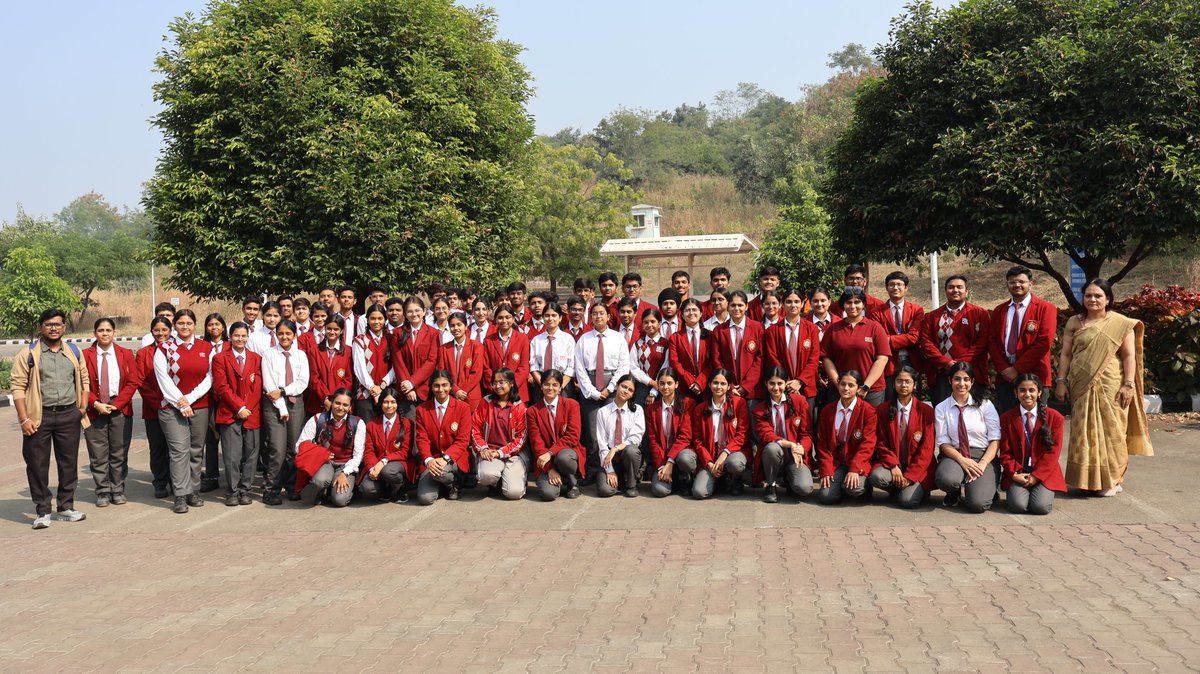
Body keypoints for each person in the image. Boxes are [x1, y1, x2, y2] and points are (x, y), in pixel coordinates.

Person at [1056, 278, 1154, 495]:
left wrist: (1128, 384)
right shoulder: (1074, 322)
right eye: (1088, 295)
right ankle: (1083, 480)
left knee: (1113, 430)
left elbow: (1129, 356)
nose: (1092, 299)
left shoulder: (1120, 323)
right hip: (1080, 384)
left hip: (1111, 384)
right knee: (1083, 430)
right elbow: (1065, 354)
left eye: (1098, 295)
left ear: (1108, 298)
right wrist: (1061, 381)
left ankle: (1111, 480)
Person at [13, 308, 91, 529]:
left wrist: (82, 408)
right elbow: (17, 387)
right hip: (39, 417)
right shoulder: (28, 354)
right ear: (41, 327)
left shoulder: (74, 351)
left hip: (69, 415)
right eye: (49, 324)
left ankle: (66, 507)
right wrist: (24, 419)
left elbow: (84, 379)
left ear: (64, 327)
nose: (54, 328)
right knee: (37, 465)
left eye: (57, 324)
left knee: (69, 464)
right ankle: (43, 511)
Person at [153, 309, 214, 514]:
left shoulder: (206, 347)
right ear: (175, 326)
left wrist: (190, 399)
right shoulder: (164, 348)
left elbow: (210, 377)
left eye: (189, 323)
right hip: (171, 407)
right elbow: (163, 379)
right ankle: (180, 495)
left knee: (196, 451)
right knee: (179, 451)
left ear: (194, 325)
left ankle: (193, 491)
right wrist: (181, 402)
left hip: (199, 405)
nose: (185, 327)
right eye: (180, 323)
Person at [114, 316, 174, 498]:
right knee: (157, 448)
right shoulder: (144, 353)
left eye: (164, 330)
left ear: (171, 331)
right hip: (153, 408)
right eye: (157, 330)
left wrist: (174, 401)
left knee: (175, 448)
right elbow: (140, 381)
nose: (161, 333)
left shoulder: (177, 350)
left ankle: (176, 481)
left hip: (176, 408)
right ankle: (160, 482)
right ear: (151, 331)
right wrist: (160, 402)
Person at [573, 301, 631, 485]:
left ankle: (613, 469)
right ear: (590, 318)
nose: (598, 317)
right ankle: (593, 470)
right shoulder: (584, 339)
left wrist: (610, 388)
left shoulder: (617, 338)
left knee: (610, 429)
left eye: (601, 313)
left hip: (611, 386)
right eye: (594, 314)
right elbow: (579, 367)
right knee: (592, 433)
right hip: (589, 387)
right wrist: (590, 390)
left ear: (608, 316)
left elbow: (623, 366)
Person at [82, 317, 136, 507]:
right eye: (100, 330)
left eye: (108, 330)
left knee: (119, 451)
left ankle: (118, 488)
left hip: (119, 407)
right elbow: (80, 384)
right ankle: (103, 491)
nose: (104, 333)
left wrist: (118, 404)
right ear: (94, 333)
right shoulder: (84, 355)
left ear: (114, 332)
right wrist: (95, 403)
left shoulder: (126, 353)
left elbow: (133, 382)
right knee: (98, 453)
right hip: (94, 408)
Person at [934, 362, 1002, 513]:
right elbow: (943, 442)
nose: (961, 383)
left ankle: (988, 487)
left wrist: (983, 464)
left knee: (977, 504)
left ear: (972, 382)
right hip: (954, 455)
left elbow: (995, 439)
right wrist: (962, 460)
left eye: (966, 379)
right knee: (946, 480)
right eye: (957, 379)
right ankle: (954, 492)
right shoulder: (941, 408)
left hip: (982, 455)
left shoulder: (985, 404)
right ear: (950, 380)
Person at [989, 265, 1057, 413]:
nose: (1017, 285)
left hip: (1035, 375)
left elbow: (1044, 343)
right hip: (1006, 377)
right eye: (1012, 282)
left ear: (1030, 284)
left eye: (1021, 281)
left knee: (1036, 422)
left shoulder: (1046, 308)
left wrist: (1017, 369)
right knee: (1008, 422)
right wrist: (1005, 369)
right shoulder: (999, 310)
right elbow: (992, 342)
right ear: (1007, 284)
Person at [868, 366, 936, 509]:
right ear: (894, 384)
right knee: (876, 476)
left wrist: (910, 476)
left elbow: (927, 450)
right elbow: (880, 442)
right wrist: (893, 465)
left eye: (907, 381)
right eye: (899, 381)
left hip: (917, 467)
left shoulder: (926, 411)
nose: (903, 385)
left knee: (908, 502)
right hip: (895, 464)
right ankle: (899, 489)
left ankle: (914, 490)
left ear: (915, 385)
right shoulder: (883, 409)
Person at [211, 321, 263, 506]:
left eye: (243, 336)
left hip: (252, 412)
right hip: (230, 413)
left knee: (251, 454)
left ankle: (245, 489)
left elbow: (257, 385)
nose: (240, 339)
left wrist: (246, 407)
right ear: (230, 337)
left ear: (248, 337)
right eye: (236, 336)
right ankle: (232, 491)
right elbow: (221, 387)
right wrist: (239, 407)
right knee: (232, 455)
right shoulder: (219, 358)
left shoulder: (256, 358)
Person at [919, 275, 991, 404]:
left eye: (959, 287)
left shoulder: (980, 314)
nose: (955, 290)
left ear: (966, 291)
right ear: (945, 290)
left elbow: (982, 343)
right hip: (942, 376)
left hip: (972, 375)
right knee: (943, 417)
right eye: (951, 287)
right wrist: (946, 363)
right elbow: (926, 343)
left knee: (975, 416)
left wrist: (959, 365)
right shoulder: (933, 317)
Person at [1001, 374, 1066, 514]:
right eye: (1022, 390)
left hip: (1044, 473)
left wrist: (1036, 476)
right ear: (1016, 392)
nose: (1027, 394)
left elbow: (1053, 453)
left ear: (1039, 392)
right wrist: (1014, 474)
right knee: (1017, 506)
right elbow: (1005, 452)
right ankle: (1022, 494)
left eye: (1032, 390)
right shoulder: (1007, 418)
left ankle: (1038, 493)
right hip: (1018, 471)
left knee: (1040, 507)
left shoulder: (1055, 418)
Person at [261, 319, 310, 505]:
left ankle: (292, 486)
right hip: (274, 405)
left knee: (293, 448)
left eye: (288, 333)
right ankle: (272, 489)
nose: (284, 337)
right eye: (281, 333)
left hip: (295, 403)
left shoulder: (300, 355)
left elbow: (302, 382)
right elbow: (269, 384)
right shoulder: (269, 355)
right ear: (276, 335)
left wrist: (284, 391)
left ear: (294, 335)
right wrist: (281, 406)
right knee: (277, 448)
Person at [814, 370, 877, 505]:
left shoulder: (868, 411)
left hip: (857, 460)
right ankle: (840, 487)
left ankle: (862, 486)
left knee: (854, 488)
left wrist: (855, 468)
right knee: (826, 497)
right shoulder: (827, 410)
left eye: (851, 385)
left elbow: (868, 444)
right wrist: (826, 468)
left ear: (858, 388)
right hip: (837, 462)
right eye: (843, 384)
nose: (846, 388)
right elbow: (822, 443)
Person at [821, 287, 891, 406]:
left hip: (871, 391)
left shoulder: (875, 328)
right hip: (839, 391)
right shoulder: (833, 329)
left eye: (857, 302)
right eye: (848, 302)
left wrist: (866, 386)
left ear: (863, 304)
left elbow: (882, 359)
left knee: (870, 423)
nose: (853, 306)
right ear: (843, 305)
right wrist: (840, 385)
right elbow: (826, 358)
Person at [296, 389, 365, 507]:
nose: (340, 407)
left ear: (350, 407)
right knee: (319, 481)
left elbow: (358, 455)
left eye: (345, 405)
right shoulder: (318, 419)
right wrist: (321, 453)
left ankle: (344, 489)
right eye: (337, 403)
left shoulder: (357, 423)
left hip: (346, 464)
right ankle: (322, 491)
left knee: (339, 501)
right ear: (331, 402)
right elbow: (299, 446)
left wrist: (345, 473)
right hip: (324, 462)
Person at [755, 367, 814, 503]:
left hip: (795, 456)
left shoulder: (799, 401)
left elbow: (807, 433)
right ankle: (771, 485)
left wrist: (801, 448)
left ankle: (789, 479)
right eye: (772, 383)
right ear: (766, 384)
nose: (776, 388)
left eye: (780, 383)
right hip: (774, 455)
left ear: (786, 383)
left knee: (804, 488)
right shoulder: (760, 409)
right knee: (771, 447)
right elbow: (767, 435)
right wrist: (791, 444)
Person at [689, 369, 751, 499]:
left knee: (735, 463)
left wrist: (726, 452)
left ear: (729, 386)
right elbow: (697, 441)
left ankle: (735, 479)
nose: (719, 387)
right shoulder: (700, 409)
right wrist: (709, 463)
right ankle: (718, 480)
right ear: (709, 384)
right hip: (711, 456)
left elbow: (742, 434)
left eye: (723, 384)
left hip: (732, 453)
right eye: (715, 383)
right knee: (699, 492)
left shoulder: (739, 403)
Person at [414, 370, 473, 505]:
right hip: (432, 459)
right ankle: (443, 485)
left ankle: (454, 483)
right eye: (436, 385)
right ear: (431, 387)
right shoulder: (422, 409)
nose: (441, 389)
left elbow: (463, 440)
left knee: (441, 473)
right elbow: (422, 439)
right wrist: (429, 460)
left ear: (451, 386)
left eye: (445, 385)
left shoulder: (462, 407)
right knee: (425, 499)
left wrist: (446, 458)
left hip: (454, 458)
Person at [471, 367, 529, 500]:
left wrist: (501, 453)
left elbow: (520, 439)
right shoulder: (485, 402)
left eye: (502, 382)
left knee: (514, 494)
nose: (497, 386)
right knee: (486, 476)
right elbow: (475, 429)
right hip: (490, 451)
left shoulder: (520, 407)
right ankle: (496, 482)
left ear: (511, 383)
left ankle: (514, 477)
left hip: (513, 454)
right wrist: (483, 448)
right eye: (494, 383)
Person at [528, 369, 585, 501]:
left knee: (563, 457)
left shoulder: (572, 405)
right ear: (541, 386)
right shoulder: (532, 411)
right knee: (549, 494)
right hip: (544, 460)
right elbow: (536, 442)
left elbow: (573, 436)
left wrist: (550, 453)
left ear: (560, 387)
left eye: (555, 385)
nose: (550, 388)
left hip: (566, 453)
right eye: (547, 384)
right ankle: (558, 479)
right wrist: (549, 469)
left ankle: (572, 483)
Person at [869, 271, 925, 401]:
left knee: (913, 401)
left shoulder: (916, 310)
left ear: (906, 288)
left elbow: (914, 338)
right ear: (886, 288)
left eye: (899, 284)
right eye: (891, 284)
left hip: (912, 361)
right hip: (888, 363)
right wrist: (904, 338)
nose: (895, 288)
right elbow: (878, 339)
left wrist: (888, 339)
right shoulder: (876, 312)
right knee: (890, 400)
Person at [711, 291, 765, 422]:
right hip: (729, 389)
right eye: (733, 305)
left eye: (740, 305)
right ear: (728, 307)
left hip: (752, 389)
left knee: (753, 427)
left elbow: (760, 359)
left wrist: (745, 386)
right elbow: (717, 359)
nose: (736, 309)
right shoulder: (719, 331)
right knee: (732, 425)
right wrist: (728, 384)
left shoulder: (758, 328)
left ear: (746, 306)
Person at [765, 288, 821, 412]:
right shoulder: (772, 331)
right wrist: (787, 382)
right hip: (781, 388)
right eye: (789, 302)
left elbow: (814, 359)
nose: (793, 305)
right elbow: (772, 357)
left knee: (806, 427)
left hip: (806, 387)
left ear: (802, 304)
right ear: (783, 305)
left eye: (797, 301)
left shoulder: (811, 329)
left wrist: (800, 381)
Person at [646, 368, 696, 498]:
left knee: (685, 458)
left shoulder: (688, 404)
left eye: (669, 383)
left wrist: (670, 462)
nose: (665, 387)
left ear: (676, 384)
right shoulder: (651, 410)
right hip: (662, 457)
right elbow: (653, 441)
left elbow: (685, 437)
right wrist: (662, 466)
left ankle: (686, 479)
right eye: (661, 383)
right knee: (659, 491)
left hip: (681, 454)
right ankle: (672, 479)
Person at [360, 388, 416, 503]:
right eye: (385, 402)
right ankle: (385, 488)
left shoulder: (407, 423)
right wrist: (371, 468)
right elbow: (369, 451)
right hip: (377, 463)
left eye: (393, 402)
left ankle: (401, 488)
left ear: (398, 404)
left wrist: (384, 461)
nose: (389, 405)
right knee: (368, 488)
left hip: (398, 463)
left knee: (388, 471)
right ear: (380, 404)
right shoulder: (372, 425)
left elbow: (405, 452)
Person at [593, 375, 645, 497]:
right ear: (617, 386)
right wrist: (610, 470)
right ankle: (619, 480)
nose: (626, 391)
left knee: (631, 450)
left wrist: (616, 448)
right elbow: (602, 444)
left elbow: (635, 439)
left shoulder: (637, 410)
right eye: (623, 386)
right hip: (610, 459)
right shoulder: (603, 412)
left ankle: (631, 484)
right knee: (605, 491)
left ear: (633, 394)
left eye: (630, 390)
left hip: (628, 457)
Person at [392, 296, 441, 416]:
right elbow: (398, 361)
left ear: (424, 311)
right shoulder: (397, 333)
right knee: (408, 428)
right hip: (405, 391)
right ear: (405, 313)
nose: (414, 314)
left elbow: (431, 362)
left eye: (417, 310)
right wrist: (407, 386)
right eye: (410, 311)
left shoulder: (433, 333)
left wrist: (412, 382)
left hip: (426, 389)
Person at [199, 312, 229, 492]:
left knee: (230, 439)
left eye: (217, 324)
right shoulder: (201, 346)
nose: (214, 328)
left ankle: (233, 474)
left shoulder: (230, 345)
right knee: (210, 439)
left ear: (223, 327)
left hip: (227, 399)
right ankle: (211, 476)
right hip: (207, 398)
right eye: (210, 325)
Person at [304, 313, 353, 417]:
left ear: (341, 331)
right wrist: (326, 398)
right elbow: (314, 379)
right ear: (325, 329)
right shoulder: (314, 350)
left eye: (336, 329)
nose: (332, 332)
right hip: (318, 402)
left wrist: (336, 399)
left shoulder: (348, 351)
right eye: (329, 329)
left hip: (341, 404)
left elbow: (348, 379)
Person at [480, 303, 531, 403]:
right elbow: (486, 367)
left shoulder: (522, 338)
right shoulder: (488, 340)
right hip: (495, 392)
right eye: (500, 318)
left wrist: (510, 385)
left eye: (508, 317)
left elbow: (524, 366)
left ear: (513, 319)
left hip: (517, 391)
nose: (504, 321)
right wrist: (497, 386)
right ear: (495, 320)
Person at [437, 310, 485, 412]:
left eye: (459, 324)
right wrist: (455, 390)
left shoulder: (477, 346)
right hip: (450, 395)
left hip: (470, 395)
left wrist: (461, 391)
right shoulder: (443, 349)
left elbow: (476, 373)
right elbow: (442, 372)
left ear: (466, 326)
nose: (456, 328)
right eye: (452, 326)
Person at [528, 301, 575, 404]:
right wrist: (544, 385)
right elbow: (533, 365)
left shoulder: (568, 339)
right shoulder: (536, 340)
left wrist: (559, 386)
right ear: (543, 317)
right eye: (547, 315)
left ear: (560, 318)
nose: (550, 319)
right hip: (540, 384)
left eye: (554, 315)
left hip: (563, 385)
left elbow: (571, 366)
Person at [353, 304, 394, 422]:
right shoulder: (360, 340)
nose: (376, 322)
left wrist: (382, 386)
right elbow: (359, 368)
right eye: (373, 318)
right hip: (365, 394)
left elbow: (396, 366)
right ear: (367, 320)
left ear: (385, 320)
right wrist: (372, 388)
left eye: (380, 318)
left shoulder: (392, 339)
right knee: (366, 431)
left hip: (387, 392)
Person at [666, 298, 711, 402]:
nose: (691, 313)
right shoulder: (675, 338)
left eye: (694, 310)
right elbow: (674, 363)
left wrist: (700, 382)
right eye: (687, 310)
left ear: (700, 314)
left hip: (706, 388)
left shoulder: (710, 336)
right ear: (682, 315)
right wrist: (691, 382)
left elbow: (713, 362)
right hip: (684, 389)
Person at [629, 307, 669, 407]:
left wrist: (654, 391)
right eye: (646, 322)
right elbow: (633, 368)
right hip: (641, 388)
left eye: (653, 321)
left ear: (659, 323)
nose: (649, 325)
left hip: (662, 389)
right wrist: (650, 382)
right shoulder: (637, 344)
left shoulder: (666, 344)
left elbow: (665, 367)